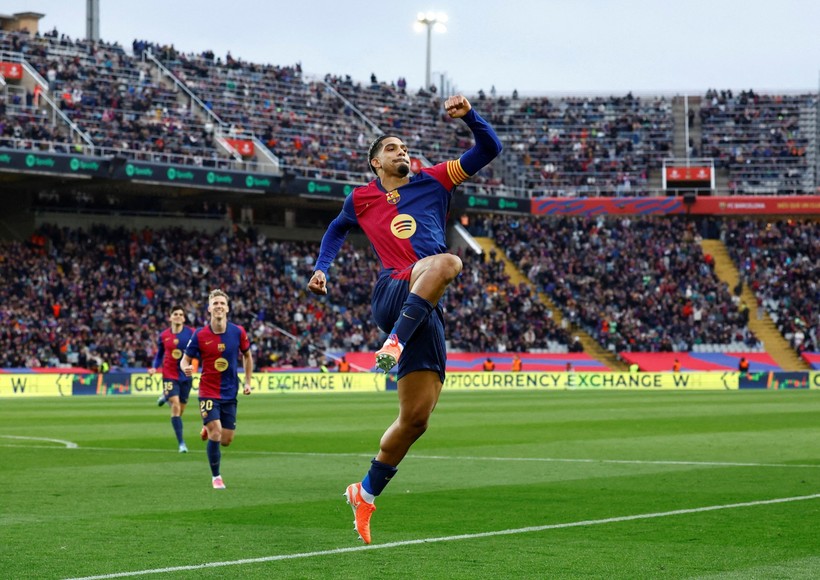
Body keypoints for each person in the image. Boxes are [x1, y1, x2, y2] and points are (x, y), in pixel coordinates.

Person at [307, 94, 502, 544]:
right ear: (376, 162)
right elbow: (337, 228)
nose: (403, 152)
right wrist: (322, 267)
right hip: (392, 292)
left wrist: (471, 117)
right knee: (448, 262)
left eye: (404, 148)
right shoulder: (361, 198)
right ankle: (392, 344)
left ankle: (365, 492)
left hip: (421, 306)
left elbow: (489, 150)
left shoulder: (434, 180)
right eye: (392, 148)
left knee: (417, 418)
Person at [181, 289, 253, 489]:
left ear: (227, 308)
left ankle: (207, 425)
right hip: (208, 390)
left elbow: (247, 356)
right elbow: (185, 359)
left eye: (222, 303)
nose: (219, 306)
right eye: (215, 303)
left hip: (230, 391)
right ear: (209, 308)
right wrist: (185, 367)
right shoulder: (200, 334)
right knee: (216, 432)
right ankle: (216, 477)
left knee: (226, 439)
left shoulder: (238, 332)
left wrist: (248, 382)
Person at [148, 306, 195, 453]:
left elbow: (199, 351)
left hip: (185, 375)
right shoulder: (164, 336)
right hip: (169, 374)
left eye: (181, 314)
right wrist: (155, 367)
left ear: (184, 318)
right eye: (175, 314)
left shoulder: (191, 333)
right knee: (175, 405)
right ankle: (181, 443)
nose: (178, 316)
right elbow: (160, 354)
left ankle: (165, 396)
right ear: (170, 317)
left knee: (180, 411)